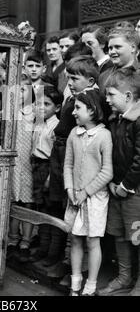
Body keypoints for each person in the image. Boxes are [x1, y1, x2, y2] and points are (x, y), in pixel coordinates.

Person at [36, 56, 99, 271]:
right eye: (68, 77)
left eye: (74, 78)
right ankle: (52, 253)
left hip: (71, 156)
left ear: (90, 81)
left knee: (69, 209)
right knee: (55, 204)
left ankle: (67, 262)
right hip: (60, 153)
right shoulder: (74, 97)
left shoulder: (90, 100)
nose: (69, 82)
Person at [64, 90, 113, 296]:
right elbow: (68, 164)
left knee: (93, 241)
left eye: (78, 108)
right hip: (74, 197)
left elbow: (107, 171)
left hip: (95, 199)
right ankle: (75, 282)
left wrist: (86, 192)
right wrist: (70, 189)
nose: (74, 112)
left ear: (92, 110)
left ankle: (90, 286)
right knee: (75, 238)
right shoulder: (74, 134)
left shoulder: (104, 136)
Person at [99, 68, 140, 296]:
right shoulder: (117, 120)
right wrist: (113, 183)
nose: (107, 99)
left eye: (111, 94)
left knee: (137, 235)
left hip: (134, 192)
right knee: (119, 233)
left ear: (128, 96)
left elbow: (139, 159)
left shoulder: (138, 121)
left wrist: (125, 186)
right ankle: (124, 277)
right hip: (117, 189)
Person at [28, 86, 63, 263]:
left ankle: (52, 253)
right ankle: (42, 249)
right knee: (41, 210)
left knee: (52, 212)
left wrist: (50, 177)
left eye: (47, 104)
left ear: (57, 108)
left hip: (49, 169)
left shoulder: (57, 126)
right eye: (39, 103)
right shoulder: (38, 123)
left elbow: (56, 156)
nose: (41, 107)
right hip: (37, 168)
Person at [6, 74, 36, 259]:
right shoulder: (8, 112)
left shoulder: (35, 113)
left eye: (23, 90)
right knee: (13, 200)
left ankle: (26, 239)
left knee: (28, 201)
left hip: (28, 164)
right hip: (14, 163)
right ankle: (12, 237)